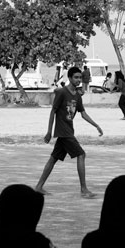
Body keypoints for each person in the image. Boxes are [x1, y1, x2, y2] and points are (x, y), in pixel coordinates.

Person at [35, 66, 103, 198]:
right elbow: (53, 111)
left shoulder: (78, 96)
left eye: (80, 78)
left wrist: (96, 125)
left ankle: (39, 186)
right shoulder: (61, 92)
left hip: (68, 132)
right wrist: (49, 131)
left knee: (53, 158)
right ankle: (84, 190)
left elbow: (83, 114)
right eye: (76, 77)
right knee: (81, 155)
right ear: (70, 78)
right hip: (63, 132)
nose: (79, 80)